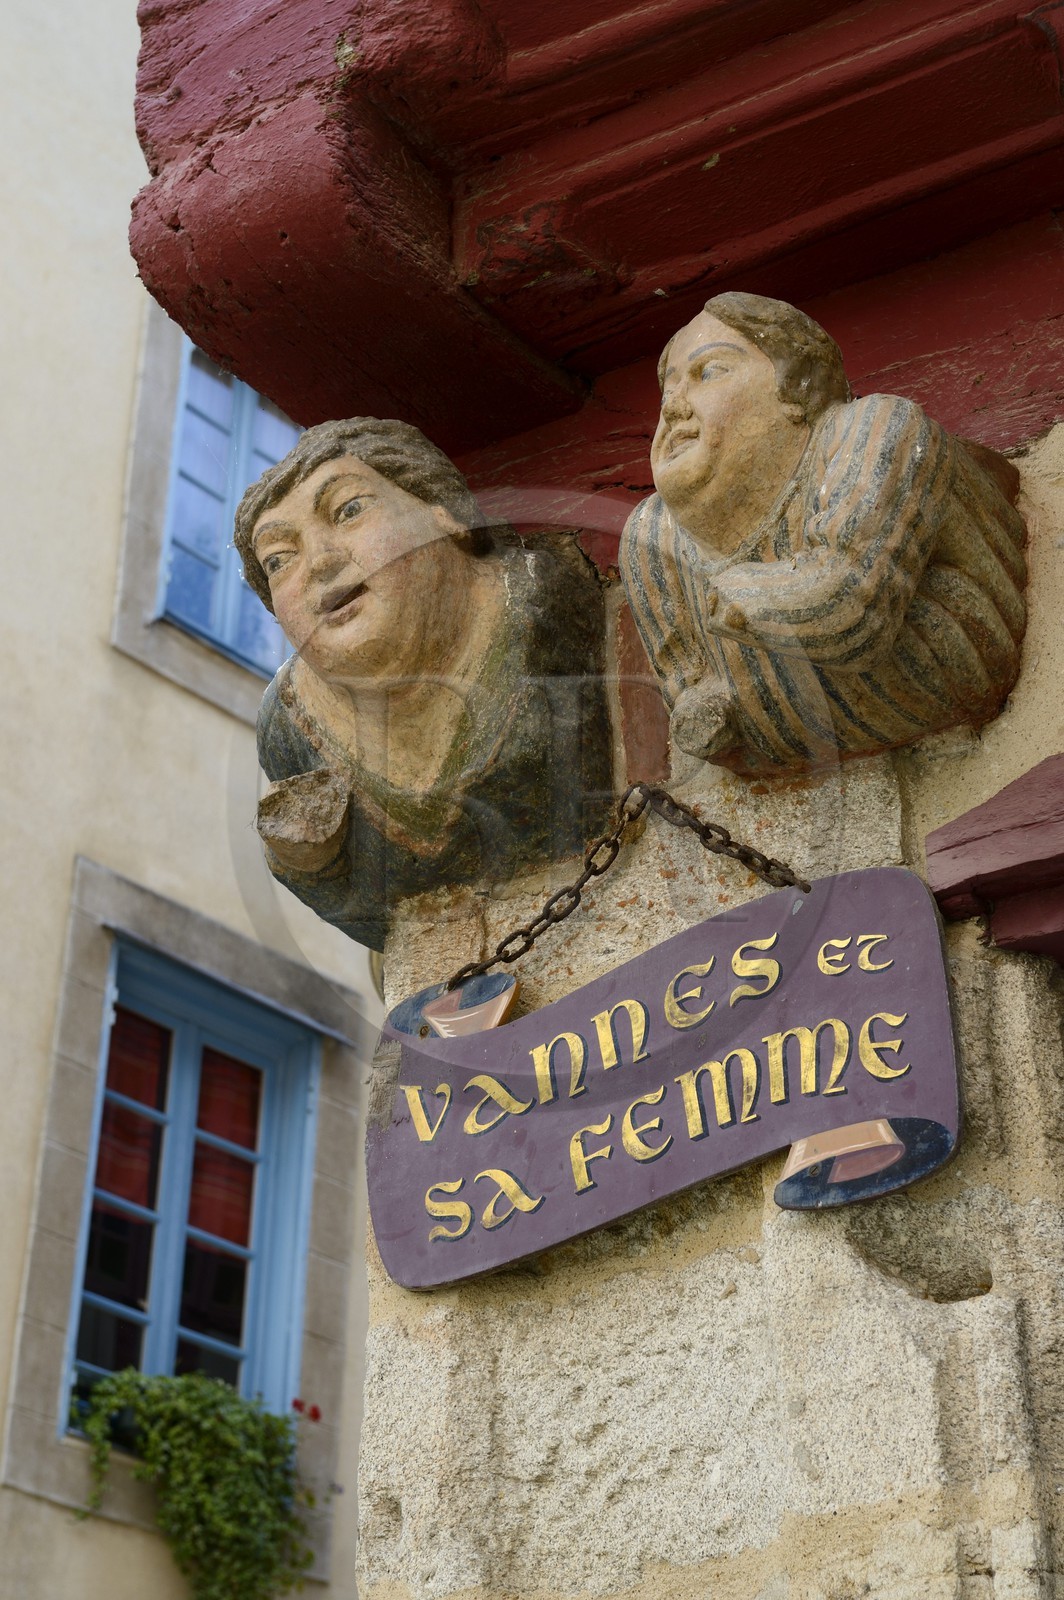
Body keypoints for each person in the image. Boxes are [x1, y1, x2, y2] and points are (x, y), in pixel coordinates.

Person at [234, 417, 613, 951]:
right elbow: (370, 914)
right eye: (279, 560)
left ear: (445, 514)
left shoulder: (536, 604)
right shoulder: (291, 724)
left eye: (350, 510)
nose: (320, 562)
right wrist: (307, 863)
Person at [620, 292, 1028, 776]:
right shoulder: (652, 537)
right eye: (668, 389)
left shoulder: (873, 430)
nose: (674, 408)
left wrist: (734, 598)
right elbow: (696, 707)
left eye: (710, 372)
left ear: (799, 388)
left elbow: (850, 607)